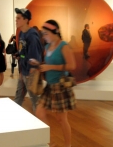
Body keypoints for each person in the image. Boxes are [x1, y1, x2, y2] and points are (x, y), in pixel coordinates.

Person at [34, 19, 76, 147]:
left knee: (62, 119)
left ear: (55, 32)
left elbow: (72, 65)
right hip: (50, 86)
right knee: (39, 113)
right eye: (43, 34)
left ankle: (68, 145)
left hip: (60, 87)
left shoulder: (63, 46)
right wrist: (40, 66)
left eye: (46, 33)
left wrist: (50, 67)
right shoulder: (47, 47)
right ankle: (48, 142)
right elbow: (48, 64)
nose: (44, 36)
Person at [13, 8, 43, 112]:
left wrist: (30, 73)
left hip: (30, 73)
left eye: (18, 18)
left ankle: (41, 123)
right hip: (24, 71)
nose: (16, 20)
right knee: (18, 97)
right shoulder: (21, 33)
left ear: (26, 20)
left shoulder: (32, 36)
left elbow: (34, 57)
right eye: (16, 18)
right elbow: (23, 52)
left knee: (35, 100)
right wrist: (19, 55)